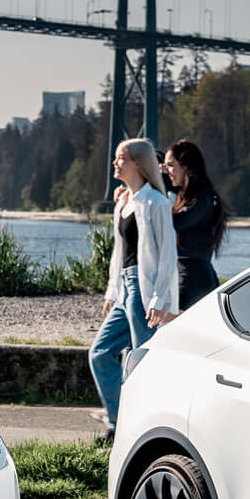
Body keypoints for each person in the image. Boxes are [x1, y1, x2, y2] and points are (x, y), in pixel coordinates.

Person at [88, 138, 177, 435]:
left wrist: (159, 297)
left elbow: (167, 254)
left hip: (144, 288)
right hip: (125, 288)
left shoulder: (157, 203)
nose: (115, 163)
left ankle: (148, 426)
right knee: (100, 354)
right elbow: (119, 253)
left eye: (121, 158)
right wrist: (112, 292)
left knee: (143, 359)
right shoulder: (124, 202)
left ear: (138, 163)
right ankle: (119, 421)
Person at [160, 138, 228, 315]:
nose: (167, 171)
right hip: (187, 274)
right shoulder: (189, 197)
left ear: (186, 167)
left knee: (177, 331)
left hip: (193, 278)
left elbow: (173, 223)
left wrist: (161, 184)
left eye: (170, 166)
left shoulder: (202, 199)